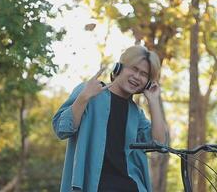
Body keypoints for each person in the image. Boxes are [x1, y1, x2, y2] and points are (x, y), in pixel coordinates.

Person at [52, 45, 167, 192]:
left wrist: (154, 101)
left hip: (131, 186)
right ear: (118, 68)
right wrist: (83, 98)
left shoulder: (136, 113)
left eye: (144, 74)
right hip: (92, 186)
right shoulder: (88, 91)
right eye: (134, 69)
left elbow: (159, 144)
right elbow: (61, 130)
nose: (137, 77)